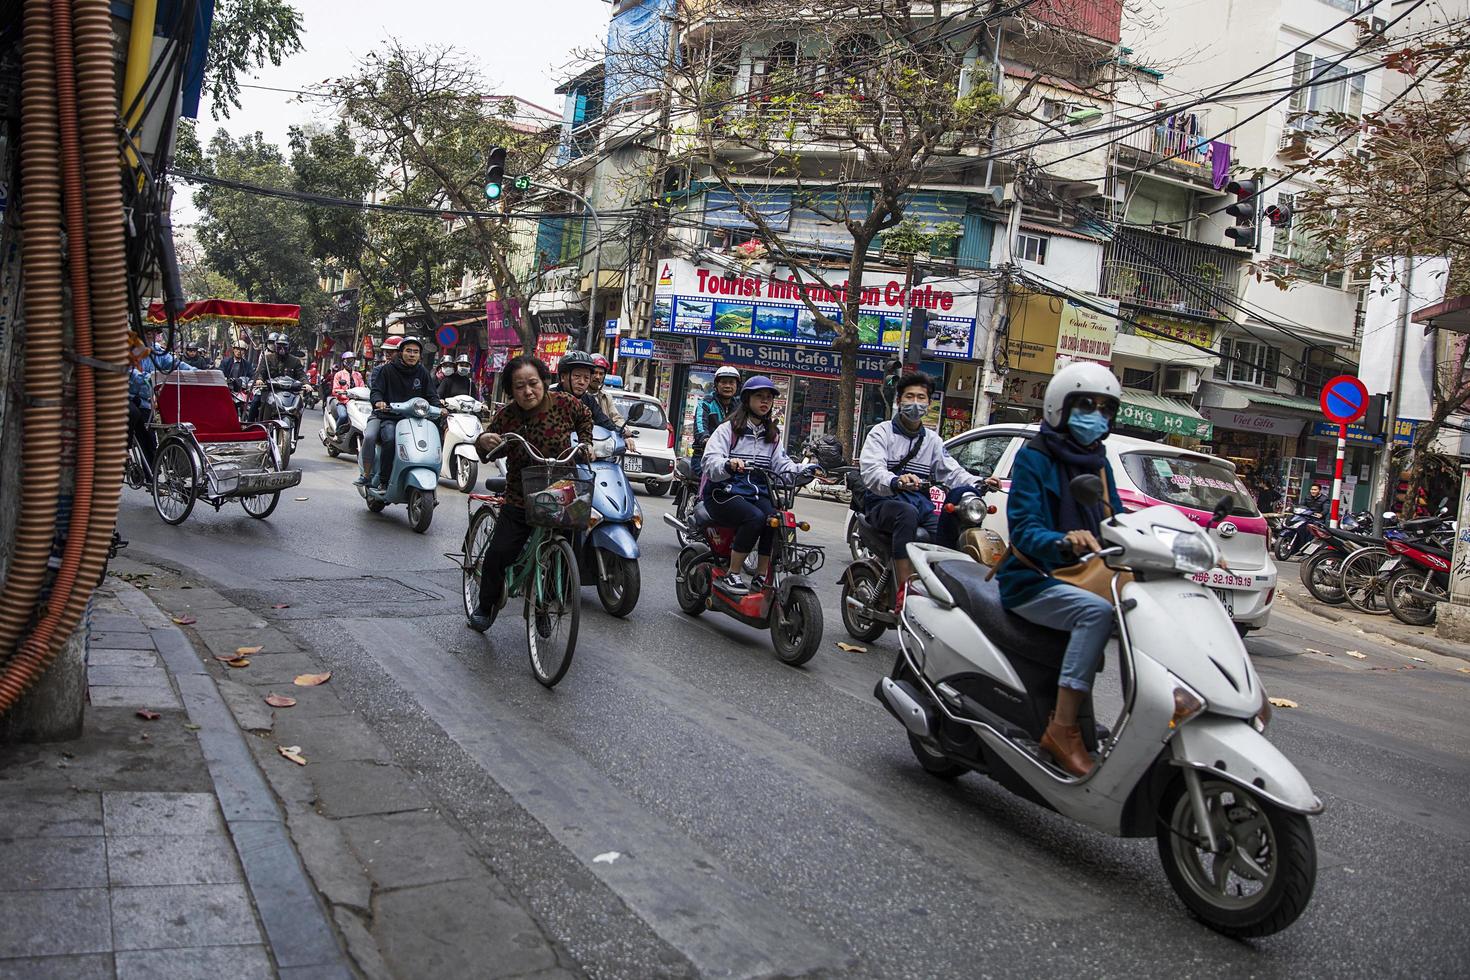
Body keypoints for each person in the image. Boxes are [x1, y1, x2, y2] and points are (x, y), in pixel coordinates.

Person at [996, 362, 1125, 778]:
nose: (1096, 416)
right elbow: (1025, 530)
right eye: (1086, 405)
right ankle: (1063, 727)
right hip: (1032, 579)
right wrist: (1063, 540)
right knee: (1096, 614)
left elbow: (1117, 522)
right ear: (1059, 407)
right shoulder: (1035, 457)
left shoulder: (1099, 463)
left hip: (1085, 576)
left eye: (1105, 408)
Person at [465, 356, 594, 633]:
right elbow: (486, 447)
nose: (528, 391)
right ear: (511, 391)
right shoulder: (508, 416)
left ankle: (543, 607)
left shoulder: (565, 404)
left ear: (544, 382)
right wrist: (483, 441)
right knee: (499, 553)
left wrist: (586, 442)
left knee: (568, 554)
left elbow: (585, 416)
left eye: (533, 383)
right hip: (521, 497)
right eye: (520, 386)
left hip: (562, 494)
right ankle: (485, 607)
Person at [859, 372, 991, 612]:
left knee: (943, 530)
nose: (916, 403)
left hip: (920, 504)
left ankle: (939, 588)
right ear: (899, 401)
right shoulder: (881, 432)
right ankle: (905, 590)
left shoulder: (932, 441)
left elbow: (953, 472)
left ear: (929, 404)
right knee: (906, 513)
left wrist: (980, 482)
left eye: (922, 397)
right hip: (883, 503)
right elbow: (871, 471)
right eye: (910, 396)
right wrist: (896, 480)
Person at [701, 376, 812, 595]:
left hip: (755, 493)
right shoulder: (727, 430)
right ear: (747, 399)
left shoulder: (772, 435)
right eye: (759, 396)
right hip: (722, 493)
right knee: (755, 518)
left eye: (769, 398)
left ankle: (761, 576)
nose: (765, 402)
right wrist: (728, 464)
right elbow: (710, 462)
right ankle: (732, 573)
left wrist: (805, 471)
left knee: (774, 519)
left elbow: (782, 465)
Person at [365, 336, 439, 489]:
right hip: (390, 418)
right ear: (400, 353)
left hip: (416, 420)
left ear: (420, 355)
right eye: (408, 351)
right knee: (390, 439)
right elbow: (376, 391)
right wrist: (379, 401)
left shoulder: (423, 372)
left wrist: (440, 407)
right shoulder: (387, 370)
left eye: (416, 352)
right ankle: (384, 481)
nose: (412, 355)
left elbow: (431, 395)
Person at [356, 337, 401, 486]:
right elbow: (375, 390)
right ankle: (367, 474)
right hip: (381, 415)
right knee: (369, 437)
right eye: (386, 351)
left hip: (404, 416)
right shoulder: (379, 370)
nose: (388, 354)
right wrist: (379, 402)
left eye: (392, 352)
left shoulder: (413, 371)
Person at [556, 351, 625, 433]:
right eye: (577, 376)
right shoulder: (549, 399)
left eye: (586, 378)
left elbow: (605, 421)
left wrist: (623, 433)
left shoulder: (589, 401)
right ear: (563, 377)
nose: (582, 382)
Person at [692, 366, 740, 473]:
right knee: (712, 484)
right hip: (705, 456)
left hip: (732, 458)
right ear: (716, 385)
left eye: (731, 382)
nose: (728, 386)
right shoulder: (705, 403)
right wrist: (706, 440)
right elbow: (700, 428)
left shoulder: (740, 407)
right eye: (723, 382)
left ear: (737, 386)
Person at [250, 332, 305, 425]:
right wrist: (259, 379)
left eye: (284, 346)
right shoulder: (267, 358)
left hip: (289, 393)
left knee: (299, 405)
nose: (282, 349)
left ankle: (295, 429)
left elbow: (301, 374)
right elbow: (261, 372)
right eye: (279, 346)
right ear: (275, 346)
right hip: (270, 390)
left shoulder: (295, 361)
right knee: (257, 402)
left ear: (288, 347)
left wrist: (306, 384)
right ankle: (258, 427)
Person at [588, 354, 627, 431]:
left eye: (601, 374)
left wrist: (624, 430)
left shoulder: (606, 396)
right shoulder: (580, 394)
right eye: (595, 373)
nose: (598, 377)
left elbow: (616, 417)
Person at [330, 352, 365, 435]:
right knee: (343, 416)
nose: (350, 362)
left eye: (352, 360)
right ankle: (336, 433)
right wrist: (342, 393)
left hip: (356, 403)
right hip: (343, 402)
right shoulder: (339, 374)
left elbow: (362, 387)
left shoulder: (358, 375)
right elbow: (335, 390)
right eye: (348, 360)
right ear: (343, 361)